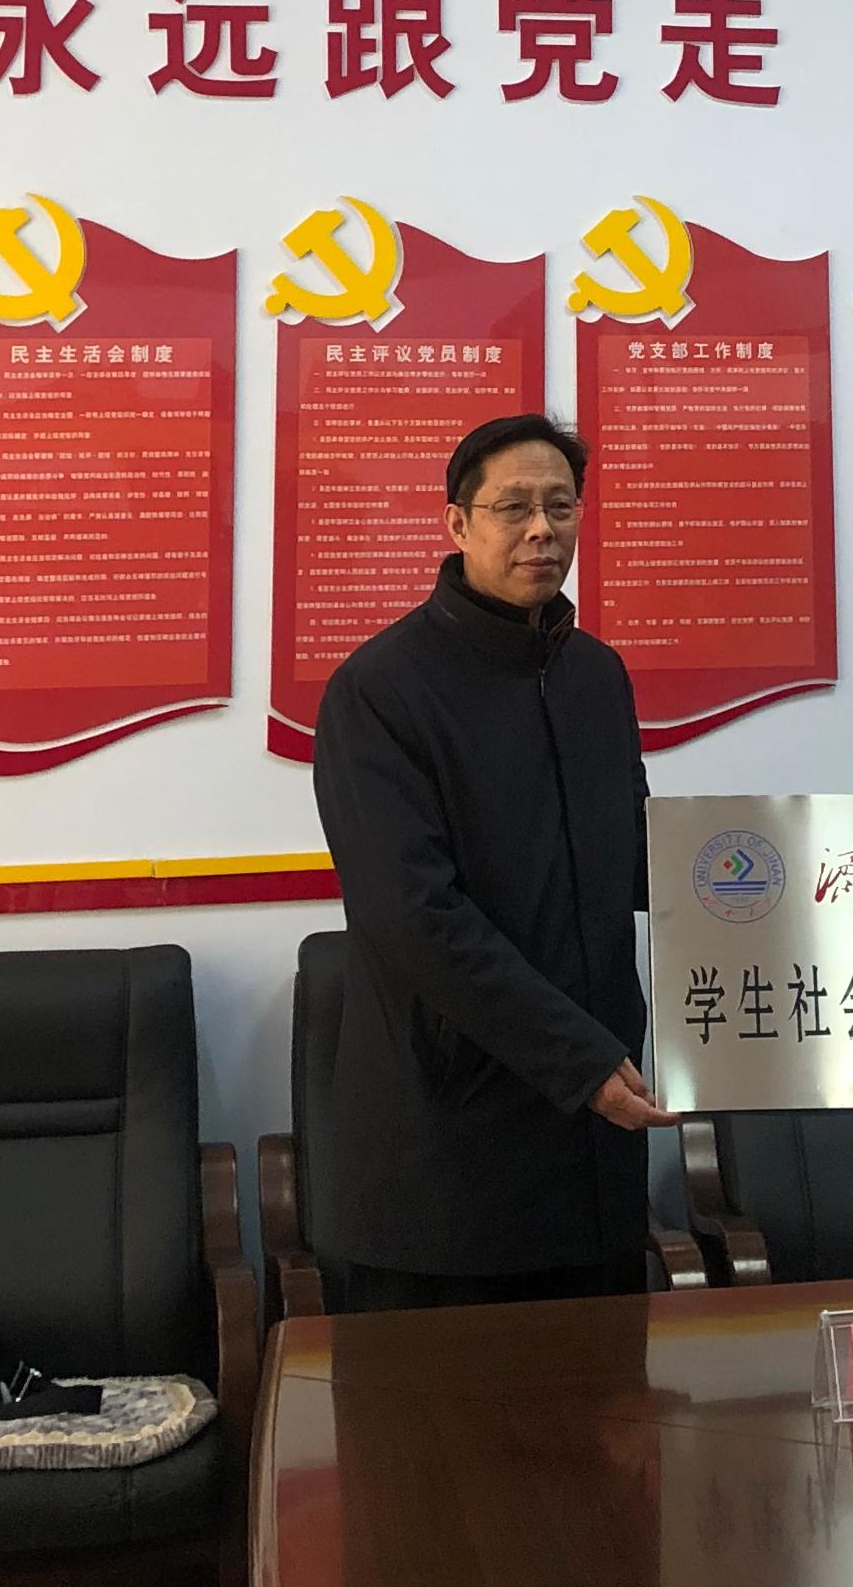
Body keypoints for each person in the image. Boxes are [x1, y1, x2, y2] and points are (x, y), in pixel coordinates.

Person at [308, 411, 677, 1308]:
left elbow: (643, 861)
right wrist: (579, 1061)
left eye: (561, 505)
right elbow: (414, 918)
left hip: (594, 1155)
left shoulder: (596, 676)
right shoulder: (379, 690)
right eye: (513, 507)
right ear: (458, 524)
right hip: (447, 1167)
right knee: (453, 1404)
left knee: (603, 1394)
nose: (541, 529)